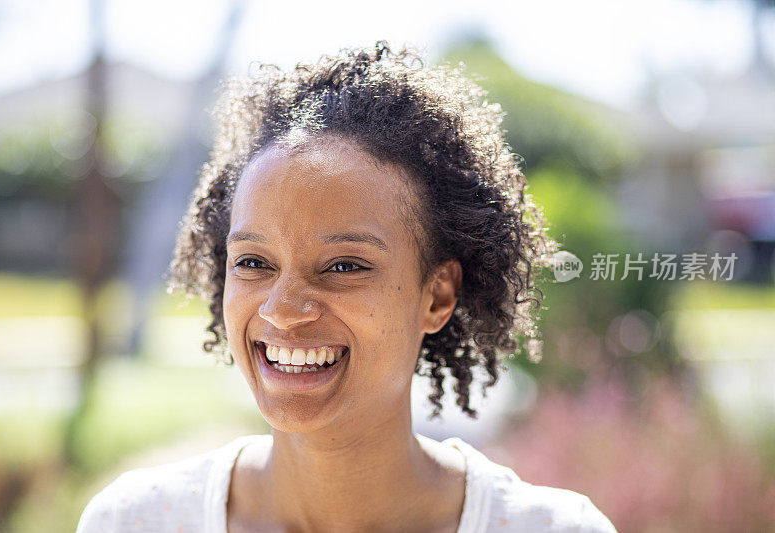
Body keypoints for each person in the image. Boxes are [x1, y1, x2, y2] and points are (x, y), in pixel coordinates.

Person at [76, 41, 617, 532]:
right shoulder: (132, 522)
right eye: (254, 262)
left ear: (438, 296)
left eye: (343, 266)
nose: (283, 310)